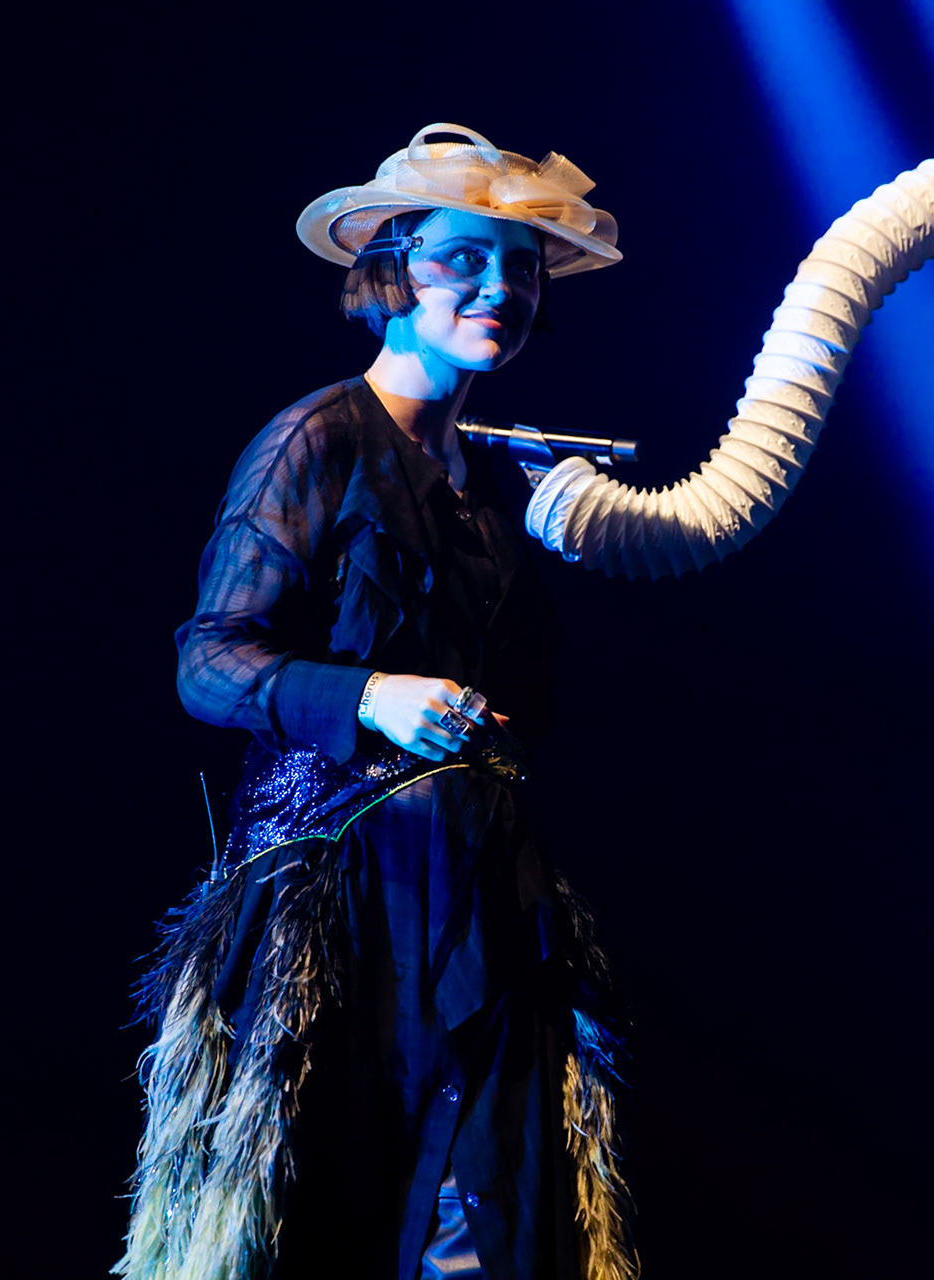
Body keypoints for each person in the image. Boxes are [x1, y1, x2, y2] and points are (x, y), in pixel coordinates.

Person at [116, 125, 635, 1280]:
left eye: (522, 266)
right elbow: (207, 659)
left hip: (488, 897)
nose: (500, 288)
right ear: (395, 269)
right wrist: (373, 695)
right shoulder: (317, 438)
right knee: (341, 1202)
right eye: (465, 259)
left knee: (494, 1216)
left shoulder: (502, 480)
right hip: (343, 900)